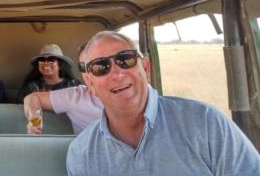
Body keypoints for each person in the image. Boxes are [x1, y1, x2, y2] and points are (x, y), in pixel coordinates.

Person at [67, 31, 260, 175]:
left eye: (125, 59)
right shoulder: (82, 153)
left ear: (146, 68)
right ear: (90, 84)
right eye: (101, 67)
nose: (117, 74)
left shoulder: (206, 123)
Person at [23, 44, 103, 134]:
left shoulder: (73, 84)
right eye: (42, 60)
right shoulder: (31, 86)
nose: (46, 63)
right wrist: (35, 120)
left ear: (60, 64)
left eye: (51, 59)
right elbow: (22, 107)